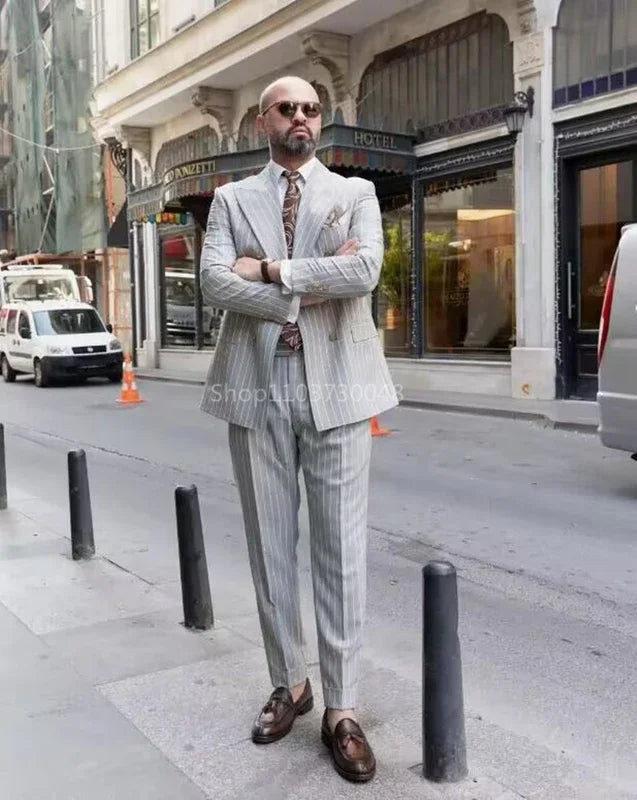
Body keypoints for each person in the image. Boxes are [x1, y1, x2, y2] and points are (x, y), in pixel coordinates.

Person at [199, 75, 397, 783]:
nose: (301, 118)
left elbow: (363, 271)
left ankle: (341, 707)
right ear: (264, 121)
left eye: (311, 109)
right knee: (270, 549)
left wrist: (272, 270)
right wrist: (306, 289)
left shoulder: (355, 193)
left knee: (340, 550)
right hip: (255, 385)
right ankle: (290, 683)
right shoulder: (230, 200)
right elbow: (214, 283)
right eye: (287, 109)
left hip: (339, 386)